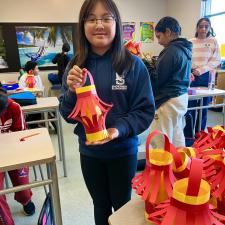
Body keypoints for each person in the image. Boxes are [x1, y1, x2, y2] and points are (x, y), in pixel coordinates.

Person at [59, 0, 155, 224]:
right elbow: (66, 113)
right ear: (83, 25)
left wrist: (118, 129)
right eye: (91, 19)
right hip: (90, 154)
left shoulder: (132, 65)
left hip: (123, 152)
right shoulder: (75, 66)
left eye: (106, 18)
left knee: (122, 206)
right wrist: (72, 92)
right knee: (100, 205)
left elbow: (144, 111)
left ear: (117, 23)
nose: (98, 24)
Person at [148, 16, 192, 148]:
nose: (159, 42)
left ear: (168, 32)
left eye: (159, 36)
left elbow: (156, 80)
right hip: (181, 97)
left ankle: (161, 167)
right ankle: (181, 165)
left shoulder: (171, 51)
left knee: (160, 138)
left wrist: (146, 66)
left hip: (168, 100)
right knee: (177, 134)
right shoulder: (185, 49)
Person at [0, 87, 35, 224]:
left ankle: (25, 200)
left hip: (16, 151)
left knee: (22, 188)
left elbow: (21, 135)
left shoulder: (14, 107)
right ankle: (6, 221)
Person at [184, 17, 221, 143]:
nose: (203, 28)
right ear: (197, 27)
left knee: (203, 107)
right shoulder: (190, 42)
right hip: (191, 76)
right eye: (201, 26)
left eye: (206, 26)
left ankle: (200, 136)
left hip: (205, 76)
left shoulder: (213, 41)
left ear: (209, 28)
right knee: (190, 107)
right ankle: (188, 135)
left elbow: (216, 60)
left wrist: (201, 70)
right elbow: (186, 59)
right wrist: (190, 72)